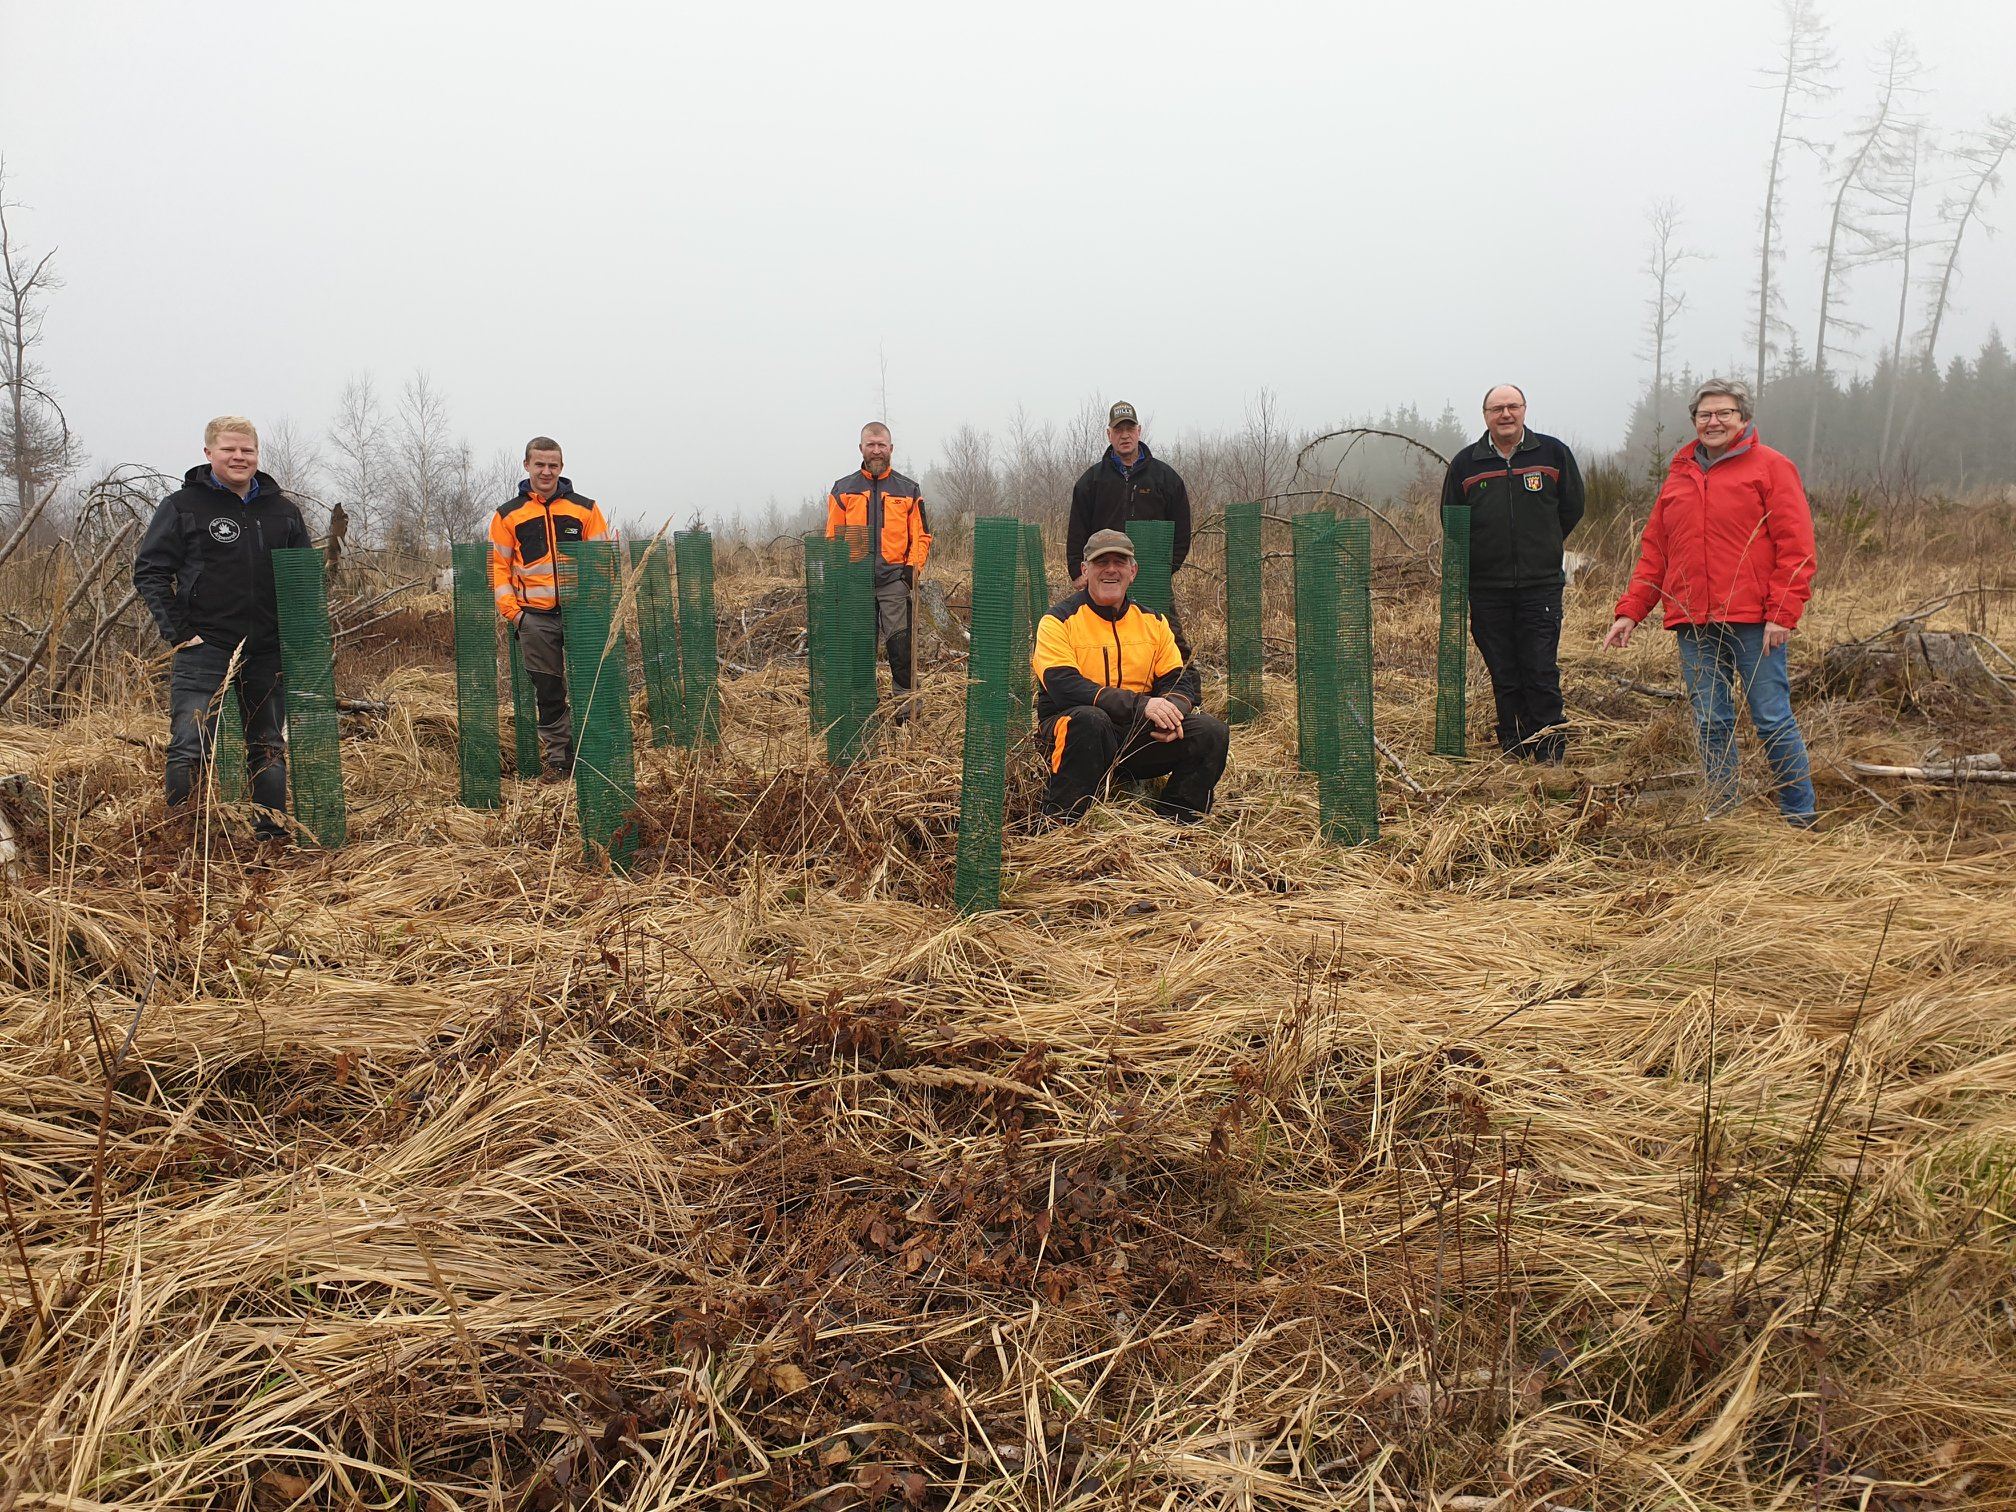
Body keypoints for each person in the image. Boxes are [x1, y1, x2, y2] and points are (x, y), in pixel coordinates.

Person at [1603, 378, 1818, 825]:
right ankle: (1722, 814)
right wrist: (1630, 612)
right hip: (1693, 622)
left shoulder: (1771, 467)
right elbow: (1656, 553)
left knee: (1772, 719)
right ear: (1694, 422)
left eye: (1724, 414)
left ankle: (1800, 816)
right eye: (1705, 415)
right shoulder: (1679, 476)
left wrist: (1782, 614)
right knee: (1711, 722)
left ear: (1743, 419)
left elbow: (1796, 548)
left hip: (1755, 622)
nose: (1714, 422)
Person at [133, 415, 312, 840]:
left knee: (268, 745)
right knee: (190, 745)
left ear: (256, 454)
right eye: (229, 449)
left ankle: (271, 836)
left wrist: (297, 640)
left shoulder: (283, 512)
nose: (238, 457)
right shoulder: (183, 506)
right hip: (205, 646)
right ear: (209, 453)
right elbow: (151, 571)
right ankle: (182, 837)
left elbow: (302, 579)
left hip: (267, 648)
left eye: (247, 450)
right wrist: (179, 633)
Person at [1034, 529, 1228, 822]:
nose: (1111, 569)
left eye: (1120, 561)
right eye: (1101, 562)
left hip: (1139, 733)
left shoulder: (1154, 622)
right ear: (1085, 571)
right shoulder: (1057, 621)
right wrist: (1142, 705)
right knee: (1089, 719)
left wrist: (1171, 712)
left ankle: (1178, 825)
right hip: (1074, 734)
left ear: (1132, 571)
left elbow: (1179, 680)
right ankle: (1061, 823)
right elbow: (1063, 685)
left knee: (1210, 731)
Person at [1439, 384, 1586, 762]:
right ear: (1485, 415)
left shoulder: (1552, 454)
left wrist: (1544, 543)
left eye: (1512, 406)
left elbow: (1571, 508)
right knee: (1504, 673)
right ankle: (1515, 748)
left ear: (1524, 410)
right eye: (1497, 408)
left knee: (1539, 668)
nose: (1505, 414)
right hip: (1487, 589)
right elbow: (1452, 521)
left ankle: (1550, 751)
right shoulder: (1466, 464)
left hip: (1541, 588)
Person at [489, 436, 610, 777]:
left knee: (594, 682)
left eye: (552, 465)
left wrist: (596, 607)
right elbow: (498, 568)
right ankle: (559, 759)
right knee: (549, 691)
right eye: (539, 464)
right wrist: (515, 615)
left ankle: (598, 752)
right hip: (535, 618)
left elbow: (603, 562)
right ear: (526, 465)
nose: (546, 471)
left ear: (562, 467)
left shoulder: (585, 509)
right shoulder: (507, 515)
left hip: (582, 615)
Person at [824, 421, 932, 719]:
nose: (876, 450)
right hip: (856, 584)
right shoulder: (843, 489)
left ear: (891, 449)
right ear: (861, 448)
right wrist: (841, 576)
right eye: (870, 445)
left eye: (881, 445)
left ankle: (907, 713)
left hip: (894, 583)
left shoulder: (908, 489)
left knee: (901, 650)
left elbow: (921, 536)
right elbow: (833, 537)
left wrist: (912, 569)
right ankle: (860, 711)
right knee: (859, 650)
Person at [1066, 401, 1191, 586]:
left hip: (1151, 577)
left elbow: (1182, 531)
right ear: (1109, 434)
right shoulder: (1090, 481)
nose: (1125, 435)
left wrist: (1165, 568)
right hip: (1105, 576)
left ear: (1139, 431)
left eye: (1130, 428)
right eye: (1118, 430)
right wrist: (1077, 571)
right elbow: (1077, 529)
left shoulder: (1166, 478)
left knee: (1161, 617)